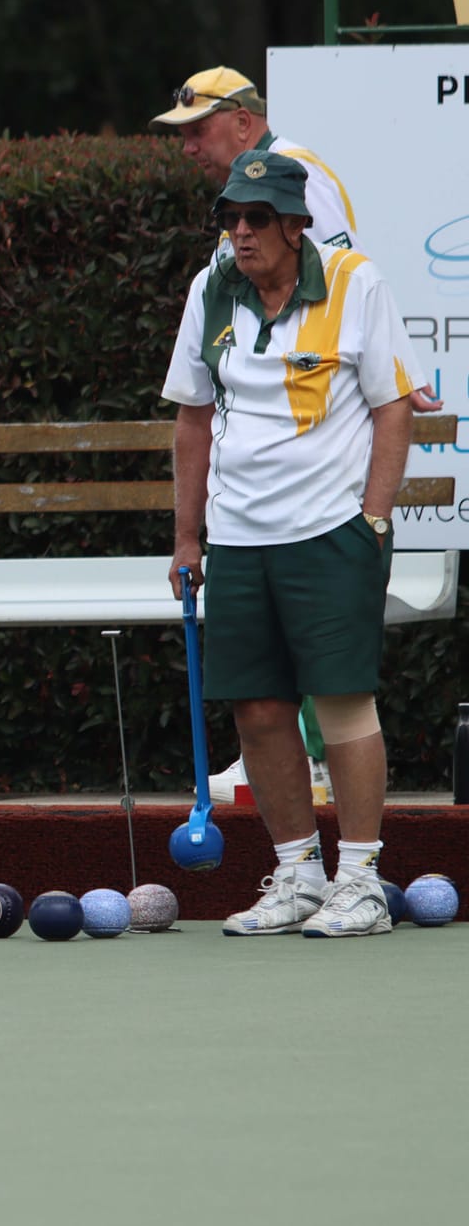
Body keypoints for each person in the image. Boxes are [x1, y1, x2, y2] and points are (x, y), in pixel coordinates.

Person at [153, 66, 443, 804]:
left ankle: (319, 783)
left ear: (243, 121)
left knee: (331, 685)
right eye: (181, 135)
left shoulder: (298, 175)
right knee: (263, 695)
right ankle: (293, 836)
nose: (188, 146)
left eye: (198, 129)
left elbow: (339, 282)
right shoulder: (224, 259)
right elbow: (194, 406)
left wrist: (394, 374)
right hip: (247, 519)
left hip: (323, 499)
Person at [163, 151, 420, 938]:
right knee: (260, 709)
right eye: (231, 218)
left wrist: (373, 520)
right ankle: (300, 874)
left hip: (329, 532)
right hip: (238, 539)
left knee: (342, 703)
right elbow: (191, 419)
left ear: (296, 225)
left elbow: (394, 406)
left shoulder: (354, 281)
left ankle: (363, 880)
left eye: (258, 219)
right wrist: (186, 537)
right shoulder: (211, 289)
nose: (241, 233)